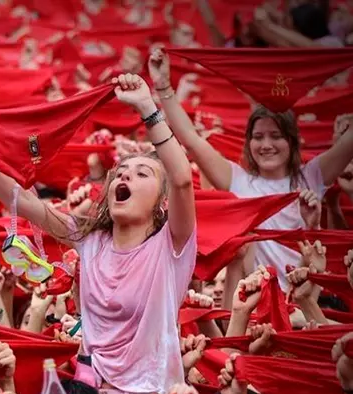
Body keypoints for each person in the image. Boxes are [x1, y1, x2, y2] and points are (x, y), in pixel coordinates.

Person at [0, 74, 197, 394]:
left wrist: (147, 108)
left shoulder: (172, 246)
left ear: (162, 205)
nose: (125, 176)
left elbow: (182, 179)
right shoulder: (89, 239)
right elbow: (23, 202)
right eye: (121, 172)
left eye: (142, 174)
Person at [148, 47, 353, 294]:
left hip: (304, 303)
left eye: (276, 136)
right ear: (249, 143)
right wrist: (163, 88)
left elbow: (348, 143)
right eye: (258, 137)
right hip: (252, 303)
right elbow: (191, 139)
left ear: (292, 141)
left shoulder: (312, 176)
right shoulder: (238, 180)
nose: (266, 145)